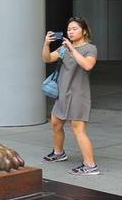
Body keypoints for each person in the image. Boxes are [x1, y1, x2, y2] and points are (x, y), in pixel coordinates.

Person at [41, 17, 99, 175]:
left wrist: (72, 49)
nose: (70, 32)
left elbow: (88, 65)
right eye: (69, 29)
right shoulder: (64, 48)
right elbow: (47, 59)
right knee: (55, 123)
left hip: (79, 95)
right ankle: (59, 153)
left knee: (78, 129)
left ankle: (90, 165)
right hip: (63, 94)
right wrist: (46, 43)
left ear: (84, 31)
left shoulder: (90, 48)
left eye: (74, 29)